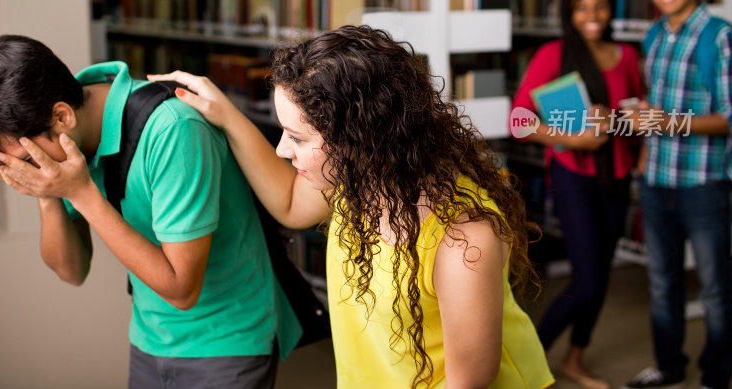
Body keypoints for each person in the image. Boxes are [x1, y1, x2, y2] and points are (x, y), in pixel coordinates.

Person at [150, 26, 554, 388]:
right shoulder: (355, 180)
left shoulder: (462, 241)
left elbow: (467, 383)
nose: (281, 149)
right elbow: (291, 205)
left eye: (296, 137)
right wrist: (227, 115)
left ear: (359, 139)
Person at [0, 35, 301, 389]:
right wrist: (46, 192)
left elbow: (181, 289)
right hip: (149, 338)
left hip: (227, 343)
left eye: (25, 162)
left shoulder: (173, 130)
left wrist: (81, 192)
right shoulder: (65, 133)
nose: (28, 171)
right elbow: (71, 270)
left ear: (62, 116)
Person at [511, 0, 644, 389]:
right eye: (582, 7)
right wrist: (575, 138)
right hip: (573, 177)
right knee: (587, 280)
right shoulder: (554, 53)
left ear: (612, 10)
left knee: (599, 277)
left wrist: (620, 128)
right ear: (569, 12)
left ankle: (575, 359)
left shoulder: (625, 56)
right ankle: (525, 363)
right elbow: (518, 121)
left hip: (616, 177)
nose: (592, 16)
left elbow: (636, 113)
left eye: (600, 6)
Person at [623, 0, 732, 389]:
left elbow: (729, 117)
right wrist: (646, 125)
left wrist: (670, 121)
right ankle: (668, 366)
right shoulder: (653, 35)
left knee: (714, 289)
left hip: (703, 183)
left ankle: (716, 375)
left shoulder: (719, 36)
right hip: (657, 181)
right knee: (663, 284)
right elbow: (658, 108)